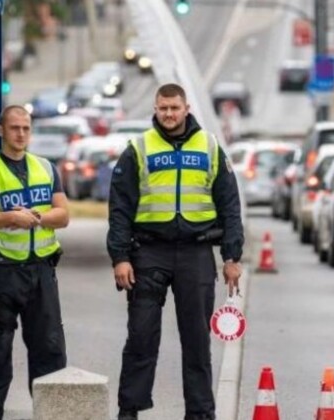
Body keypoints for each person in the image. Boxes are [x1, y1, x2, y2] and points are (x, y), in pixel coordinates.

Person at [107, 83, 244, 420]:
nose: (168, 114)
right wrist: (120, 257)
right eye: (163, 108)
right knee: (141, 336)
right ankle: (130, 409)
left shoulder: (210, 146)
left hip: (196, 254)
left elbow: (229, 205)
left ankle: (199, 413)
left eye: (174, 108)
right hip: (148, 253)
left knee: (197, 341)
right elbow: (120, 208)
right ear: (155, 109)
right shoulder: (138, 148)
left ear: (186, 109)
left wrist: (231, 257)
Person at [0, 105, 70, 420]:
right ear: (1, 130)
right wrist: (10, 217)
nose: (21, 134)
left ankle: (51, 414)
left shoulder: (47, 168)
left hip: (41, 271)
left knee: (49, 350)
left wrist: (35, 217)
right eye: (14, 128)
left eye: (25, 128)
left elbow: (63, 215)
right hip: (1, 271)